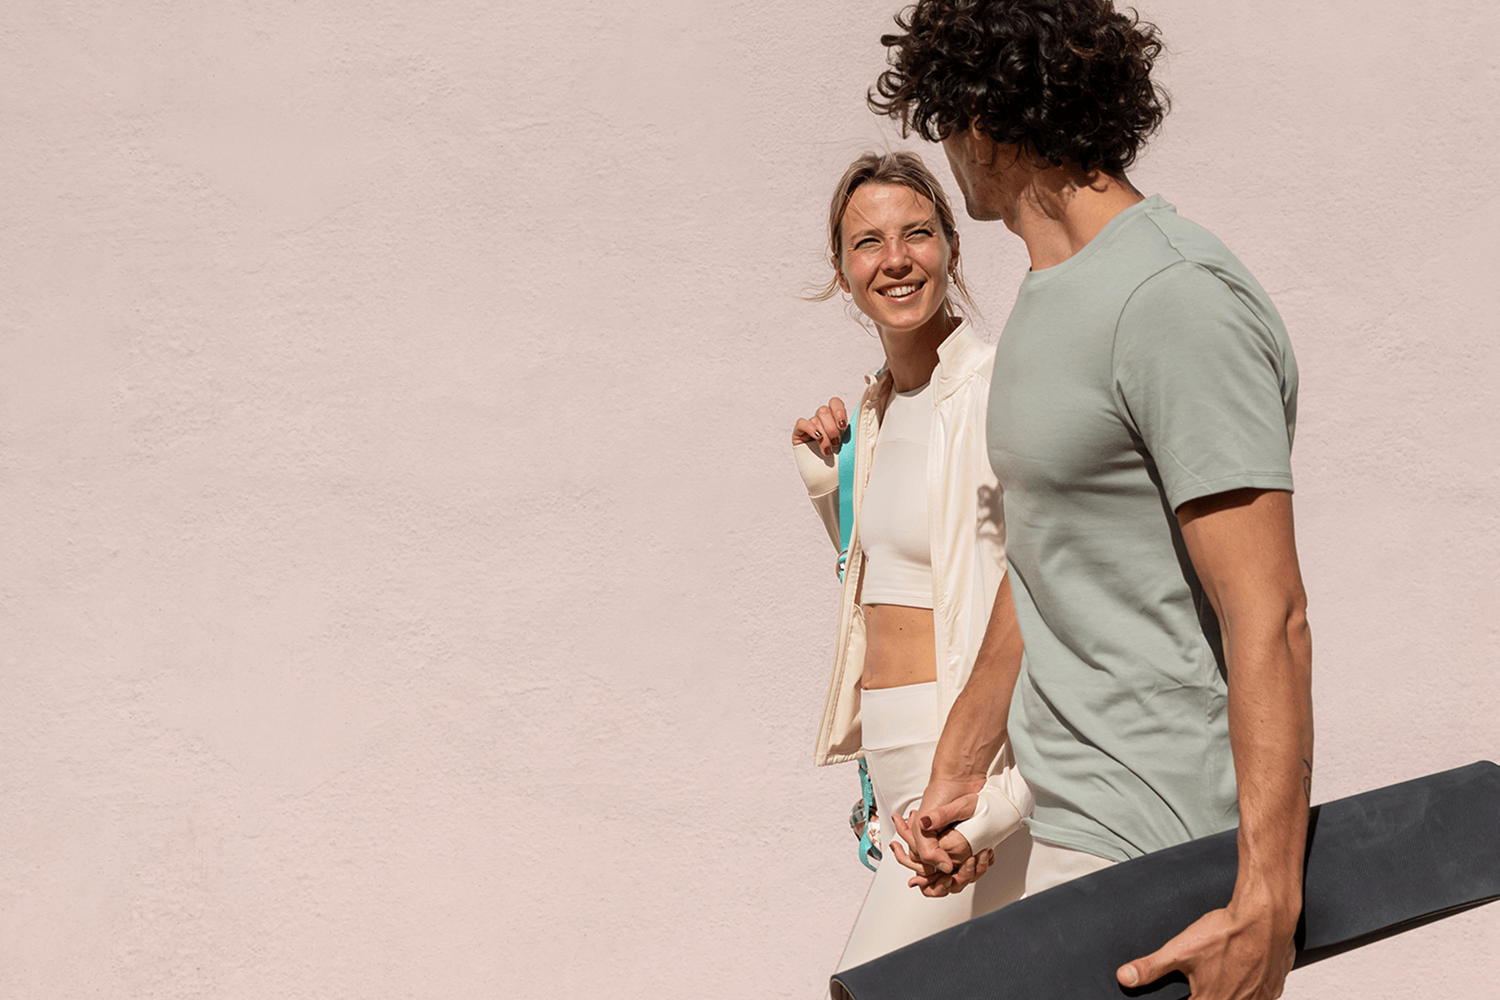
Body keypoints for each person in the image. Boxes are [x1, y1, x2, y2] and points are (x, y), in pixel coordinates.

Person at [867, 3, 1314, 999]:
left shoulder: (1174, 297)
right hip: (1069, 832)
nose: (948, 149)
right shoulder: (1050, 291)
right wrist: (960, 774)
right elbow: (1047, 557)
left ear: (985, 119)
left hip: (1163, 854)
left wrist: (1265, 904)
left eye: (944, 120)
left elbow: (1268, 611)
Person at [791, 151, 1033, 974]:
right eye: (868, 243)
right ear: (842, 269)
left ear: (952, 248)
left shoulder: (997, 389)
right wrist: (833, 480)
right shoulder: (877, 411)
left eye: (916, 234)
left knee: (875, 984)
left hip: (964, 757)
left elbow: (1035, 592)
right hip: (890, 758)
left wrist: (996, 794)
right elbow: (895, 583)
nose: (893, 259)